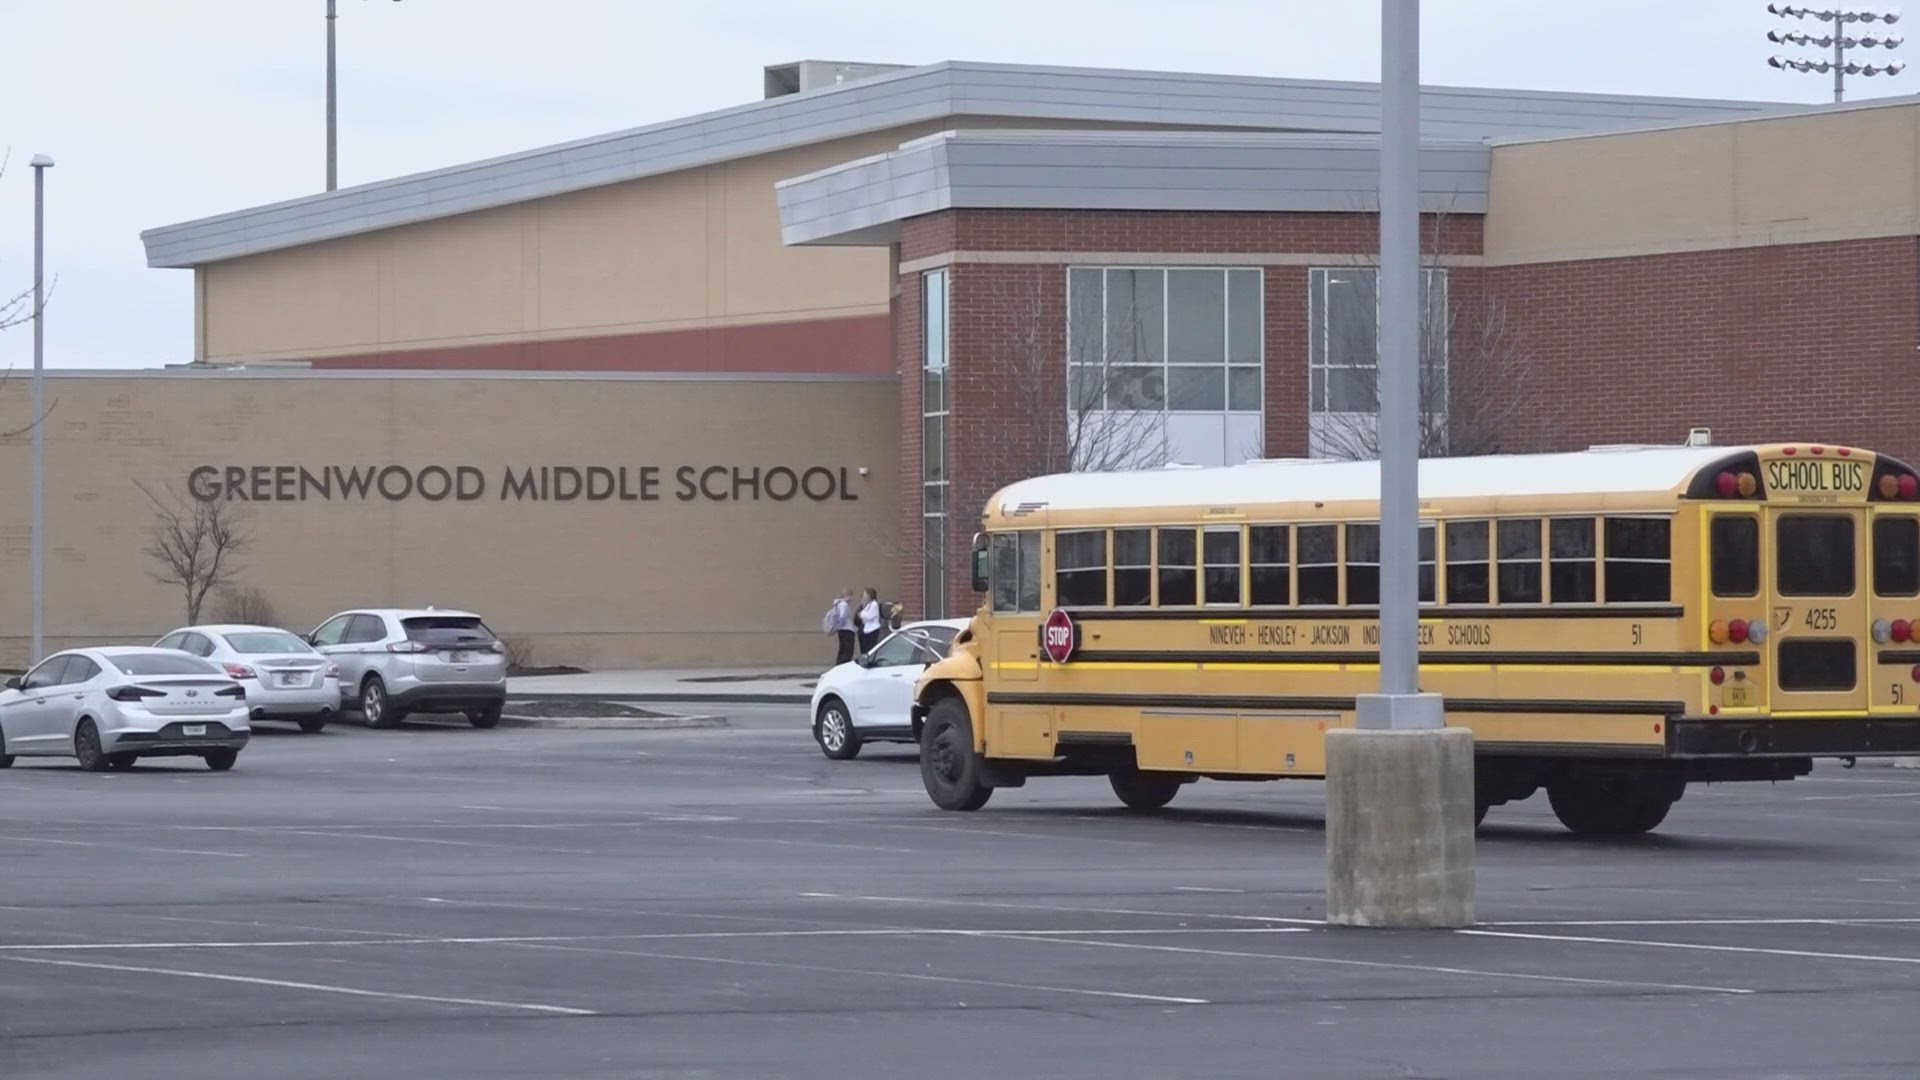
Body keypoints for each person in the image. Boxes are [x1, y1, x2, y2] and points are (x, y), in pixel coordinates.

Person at [823, 590, 856, 666]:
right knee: (848, 651)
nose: (851, 598)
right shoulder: (844, 604)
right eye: (850, 596)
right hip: (847, 630)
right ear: (846, 596)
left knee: (842, 649)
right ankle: (843, 666)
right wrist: (840, 626)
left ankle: (839, 665)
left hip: (842, 631)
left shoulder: (838, 605)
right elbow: (842, 617)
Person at [856, 587, 886, 656]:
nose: (863, 596)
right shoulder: (868, 605)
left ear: (869, 595)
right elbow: (863, 618)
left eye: (865, 594)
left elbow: (869, 616)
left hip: (872, 630)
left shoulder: (874, 604)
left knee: (871, 648)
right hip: (867, 629)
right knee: (865, 648)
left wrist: (861, 614)